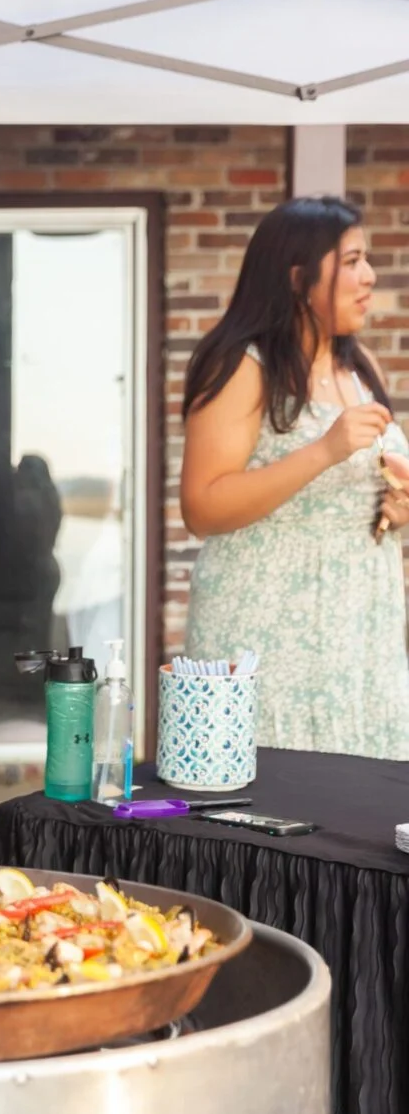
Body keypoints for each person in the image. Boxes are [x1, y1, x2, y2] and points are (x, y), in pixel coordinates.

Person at [181, 196, 409, 756]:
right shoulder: (242, 366)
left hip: (360, 628)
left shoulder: (361, 368)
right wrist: (324, 450)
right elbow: (201, 508)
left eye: (367, 259)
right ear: (298, 277)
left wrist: (398, 505)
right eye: (352, 260)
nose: (369, 275)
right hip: (267, 627)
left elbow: (361, 489)